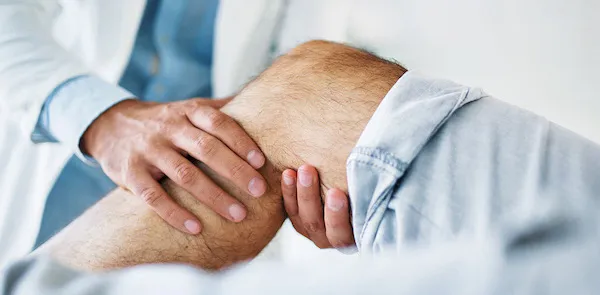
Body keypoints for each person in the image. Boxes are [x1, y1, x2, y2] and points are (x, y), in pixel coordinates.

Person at [3, 39, 600, 294]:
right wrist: (99, 115)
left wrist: (357, 199)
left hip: (212, 168)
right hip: (52, 185)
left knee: (306, 95)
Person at [0, 0, 347, 268]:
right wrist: (101, 118)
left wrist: (315, 181)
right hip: (56, 148)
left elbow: (307, 67)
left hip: (206, 194)